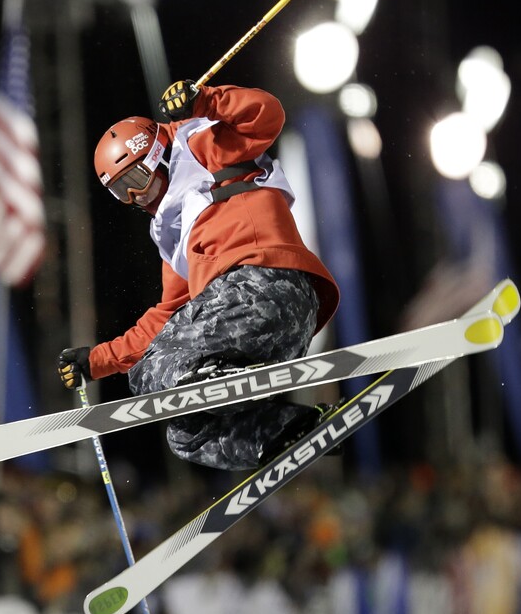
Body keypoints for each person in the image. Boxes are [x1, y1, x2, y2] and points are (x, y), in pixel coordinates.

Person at [57, 80, 340, 471]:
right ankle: (285, 430)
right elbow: (166, 319)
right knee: (183, 431)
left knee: (152, 375)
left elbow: (266, 114)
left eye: (135, 180)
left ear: (156, 155)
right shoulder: (172, 235)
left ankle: (213, 377)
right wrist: (97, 360)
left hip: (263, 285)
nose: (136, 198)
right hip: (273, 333)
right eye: (121, 192)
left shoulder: (203, 147)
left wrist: (204, 100)